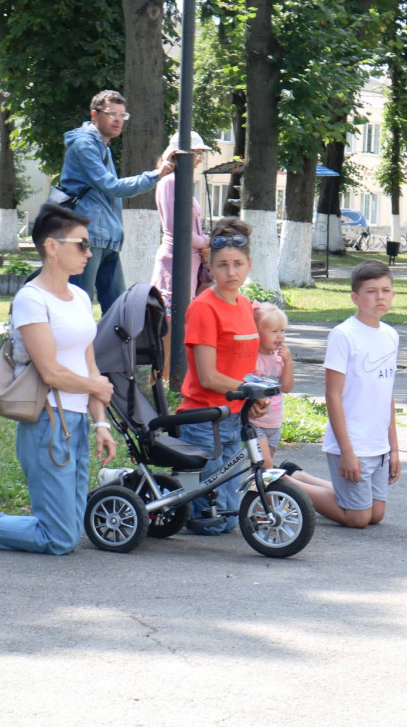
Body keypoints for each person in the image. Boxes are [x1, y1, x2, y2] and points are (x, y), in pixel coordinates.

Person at [0, 204, 117, 553]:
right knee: (60, 539)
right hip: (47, 421)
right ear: (52, 246)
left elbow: (89, 364)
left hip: (76, 422)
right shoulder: (31, 298)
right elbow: (51, 371)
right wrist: (95, 386)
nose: (89, 253)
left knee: (69, 530)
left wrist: (100, 424)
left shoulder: (79, 297)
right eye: (82, 244)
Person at [286, 261, 402, 529]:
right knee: (358, 518)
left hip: (378, 445)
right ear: (355, 297)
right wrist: (347, 452)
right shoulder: (344, 335)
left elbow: (388, 395)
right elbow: (333, 396)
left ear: (394, 294)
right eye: (371, 291)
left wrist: (394, 449)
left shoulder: (391, 336)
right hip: (352, 443)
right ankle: (284, 482)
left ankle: (301, 476)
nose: (380, 297)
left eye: (386, 290)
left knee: (376, 515)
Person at [178, 216, 265, 535]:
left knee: (228, 521)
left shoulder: (244, 305)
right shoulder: (204, 307)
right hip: (204, 420)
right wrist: (251, 390)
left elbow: (242, 367)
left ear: (249, 264)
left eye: (238, 264)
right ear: (209, 267)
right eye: (223, 265)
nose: (231, 272)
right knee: (211, 525)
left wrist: (251, 398)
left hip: (234, 416)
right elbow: (209, 377)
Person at [60, 90, 173, 312]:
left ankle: (111, 348)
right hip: (86, 237)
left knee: (117, 311)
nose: (118, 119)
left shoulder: (103, 145)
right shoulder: (84, 144)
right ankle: (77, 347)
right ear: (95, 114)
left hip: (107, 239)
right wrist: (156, 174)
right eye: (112, 113)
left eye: (122, 115)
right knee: (78, 307)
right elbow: (111, 186)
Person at [151, 130, 214, 379]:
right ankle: (163, 379)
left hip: (188, 262)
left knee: (181, 322)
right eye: (196, 153)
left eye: (199, 154)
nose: (199, 159)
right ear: (180, 156)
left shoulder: (181, 182)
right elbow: (180, 232)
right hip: (174, 263)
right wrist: (208, 242)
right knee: (169, 323)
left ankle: (172, 378)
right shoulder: (170, 182)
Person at [251, 302, 294, 467]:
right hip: (256, 422)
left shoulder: (280, 357)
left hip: (275, 422)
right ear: (258, 333)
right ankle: (269, 493)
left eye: (282, 331)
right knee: (266, 466)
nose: (280, 336)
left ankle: (256, 492)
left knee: (260, 470)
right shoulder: (253, 358)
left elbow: (287, 387)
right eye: (274, 331)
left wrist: (288, 362)